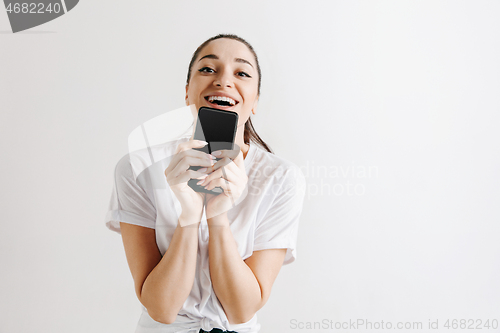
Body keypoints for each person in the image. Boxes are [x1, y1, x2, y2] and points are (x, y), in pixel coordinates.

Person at [105, 34, 306, 333]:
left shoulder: (281, 179)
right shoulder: (138, 168)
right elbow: (161, 308)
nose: (224, 81)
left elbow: (241, 311)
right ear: (187, 92)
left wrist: (217, 215)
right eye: (208, 69)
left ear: (255, 100)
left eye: (241, 73)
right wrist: (189, 214)